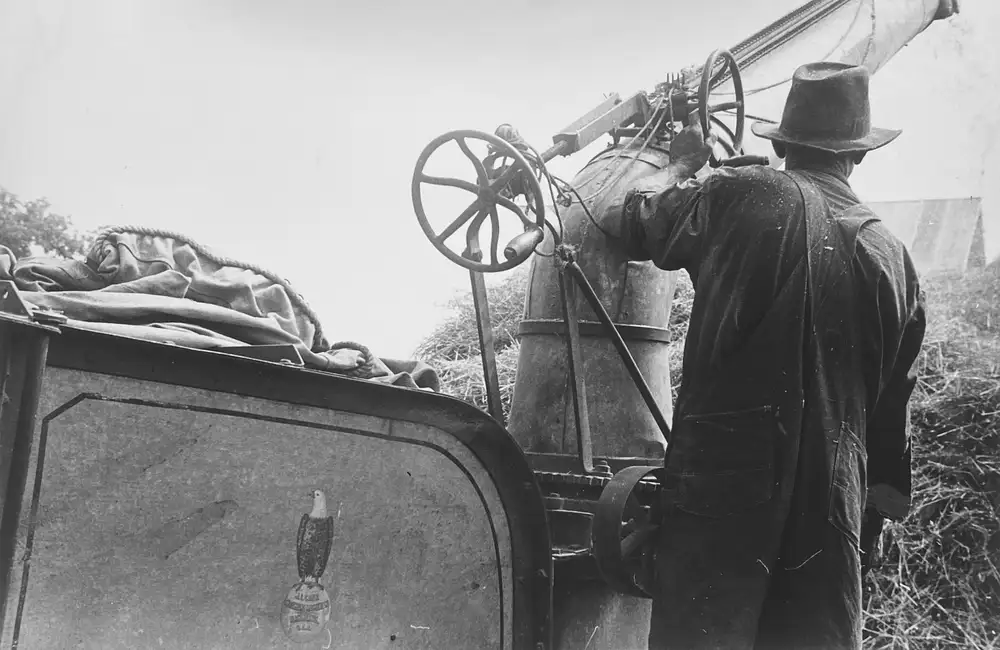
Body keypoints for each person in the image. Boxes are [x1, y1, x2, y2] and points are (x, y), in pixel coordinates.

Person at [615, 62, 927, 649]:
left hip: (722, 492)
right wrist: (874, 515)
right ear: (857, 155)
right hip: (835, 508)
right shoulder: (897, 258)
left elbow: (634, 221)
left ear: (782, 142)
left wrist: (683, 165)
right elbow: (892, 420)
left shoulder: (739, 193)